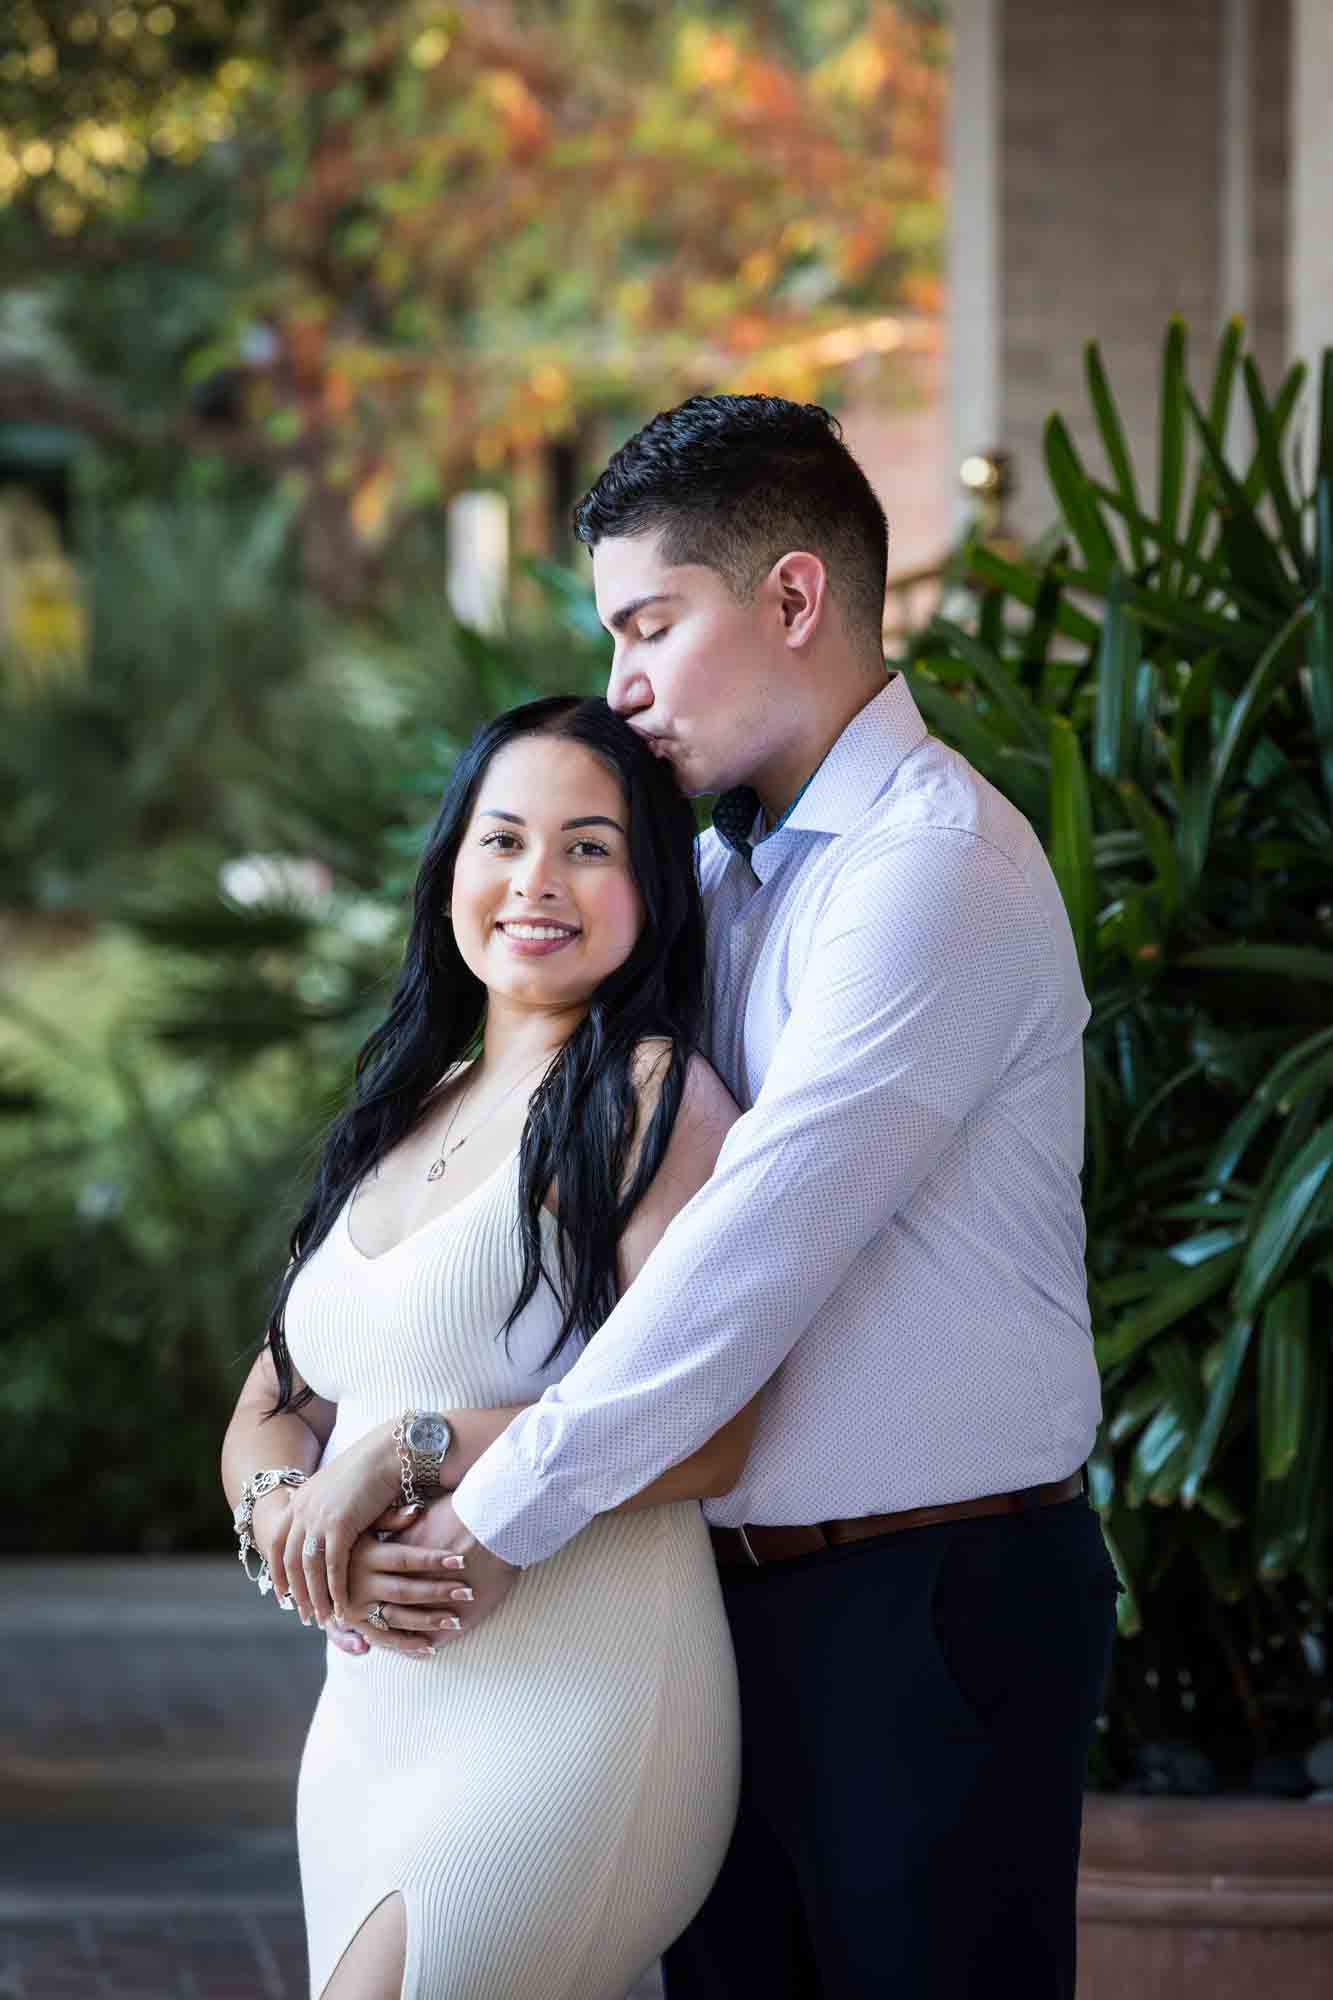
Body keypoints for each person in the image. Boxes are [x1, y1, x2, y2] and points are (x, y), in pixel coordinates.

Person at [387, 395, 1119, 1999]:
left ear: (792, 598)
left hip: (922, 1608)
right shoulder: (712, 877)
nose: (621, 682)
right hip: (705, 1603)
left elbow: (740, 1260)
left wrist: (484, 1525)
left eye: (650, 623)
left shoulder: (934, 870)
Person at [220, 695, 753, 2000]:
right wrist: (288, 1512)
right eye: (502, 840)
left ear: (650, 885)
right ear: (450, 865)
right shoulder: (405, 1105)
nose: (535, 882)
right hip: (371, 1711)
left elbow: (713, 1430)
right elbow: (272, 1408)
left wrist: (404, 1454)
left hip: (578, 1692)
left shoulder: (651, 1100)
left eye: (590, 846)